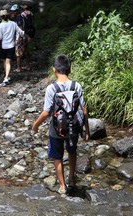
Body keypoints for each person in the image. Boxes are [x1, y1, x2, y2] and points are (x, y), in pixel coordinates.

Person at [32, 54, 90, 195]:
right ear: (70, 70)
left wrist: (35, 125)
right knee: (72, 151)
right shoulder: (76, 86)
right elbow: (84, 110)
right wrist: (86, 130)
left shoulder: (51, 88)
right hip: (74, 127)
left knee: (57, 156)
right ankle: (71, 178)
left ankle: (62, 186)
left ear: (54, 70)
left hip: (56, 128)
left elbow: (46, 112)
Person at [0, 9, 24, 86]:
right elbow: (21, 32)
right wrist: (23, 36)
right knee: (8, 62)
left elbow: (0, 37)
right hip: (11, 46)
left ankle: (6, 77)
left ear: (1, 17)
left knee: (5, 61)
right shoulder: (13, 23)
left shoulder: (0, 26)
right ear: (8, 16)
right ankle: (7, 76)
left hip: (4, 46)